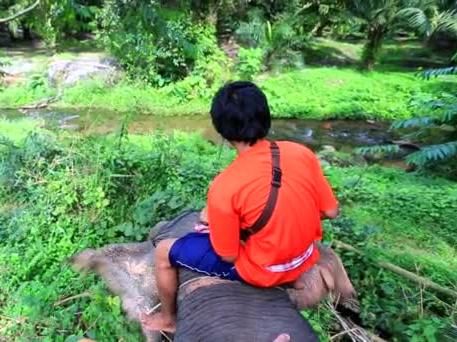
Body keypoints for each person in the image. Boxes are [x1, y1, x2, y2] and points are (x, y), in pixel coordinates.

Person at [140, 81, 339, 333]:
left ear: (222, 130)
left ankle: (168, 320)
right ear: (265, 116)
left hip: (263, 269)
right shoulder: (301, 153)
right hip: (303, 259)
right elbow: (331, 211)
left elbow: (228, 255)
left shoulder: (225, 184)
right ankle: (293, 277)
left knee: (164, 253)